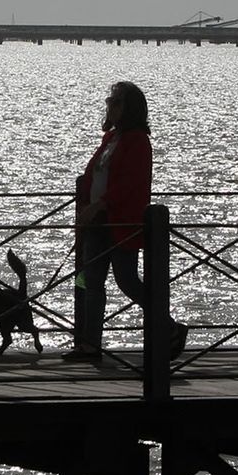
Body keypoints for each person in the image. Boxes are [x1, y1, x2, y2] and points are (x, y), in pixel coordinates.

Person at [64, 80, 187, 362]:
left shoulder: (138, 141)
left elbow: (130, 183)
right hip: (97, 222)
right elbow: (95, 175)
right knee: (91, 281)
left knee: (127, 281)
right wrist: (86, 205)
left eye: (116, 102)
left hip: (120, 222)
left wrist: (100, 204)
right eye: (109, 101)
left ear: (130, 108)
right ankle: (89, 345)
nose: (110, 106)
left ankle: (169, 327)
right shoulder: (110, 138)